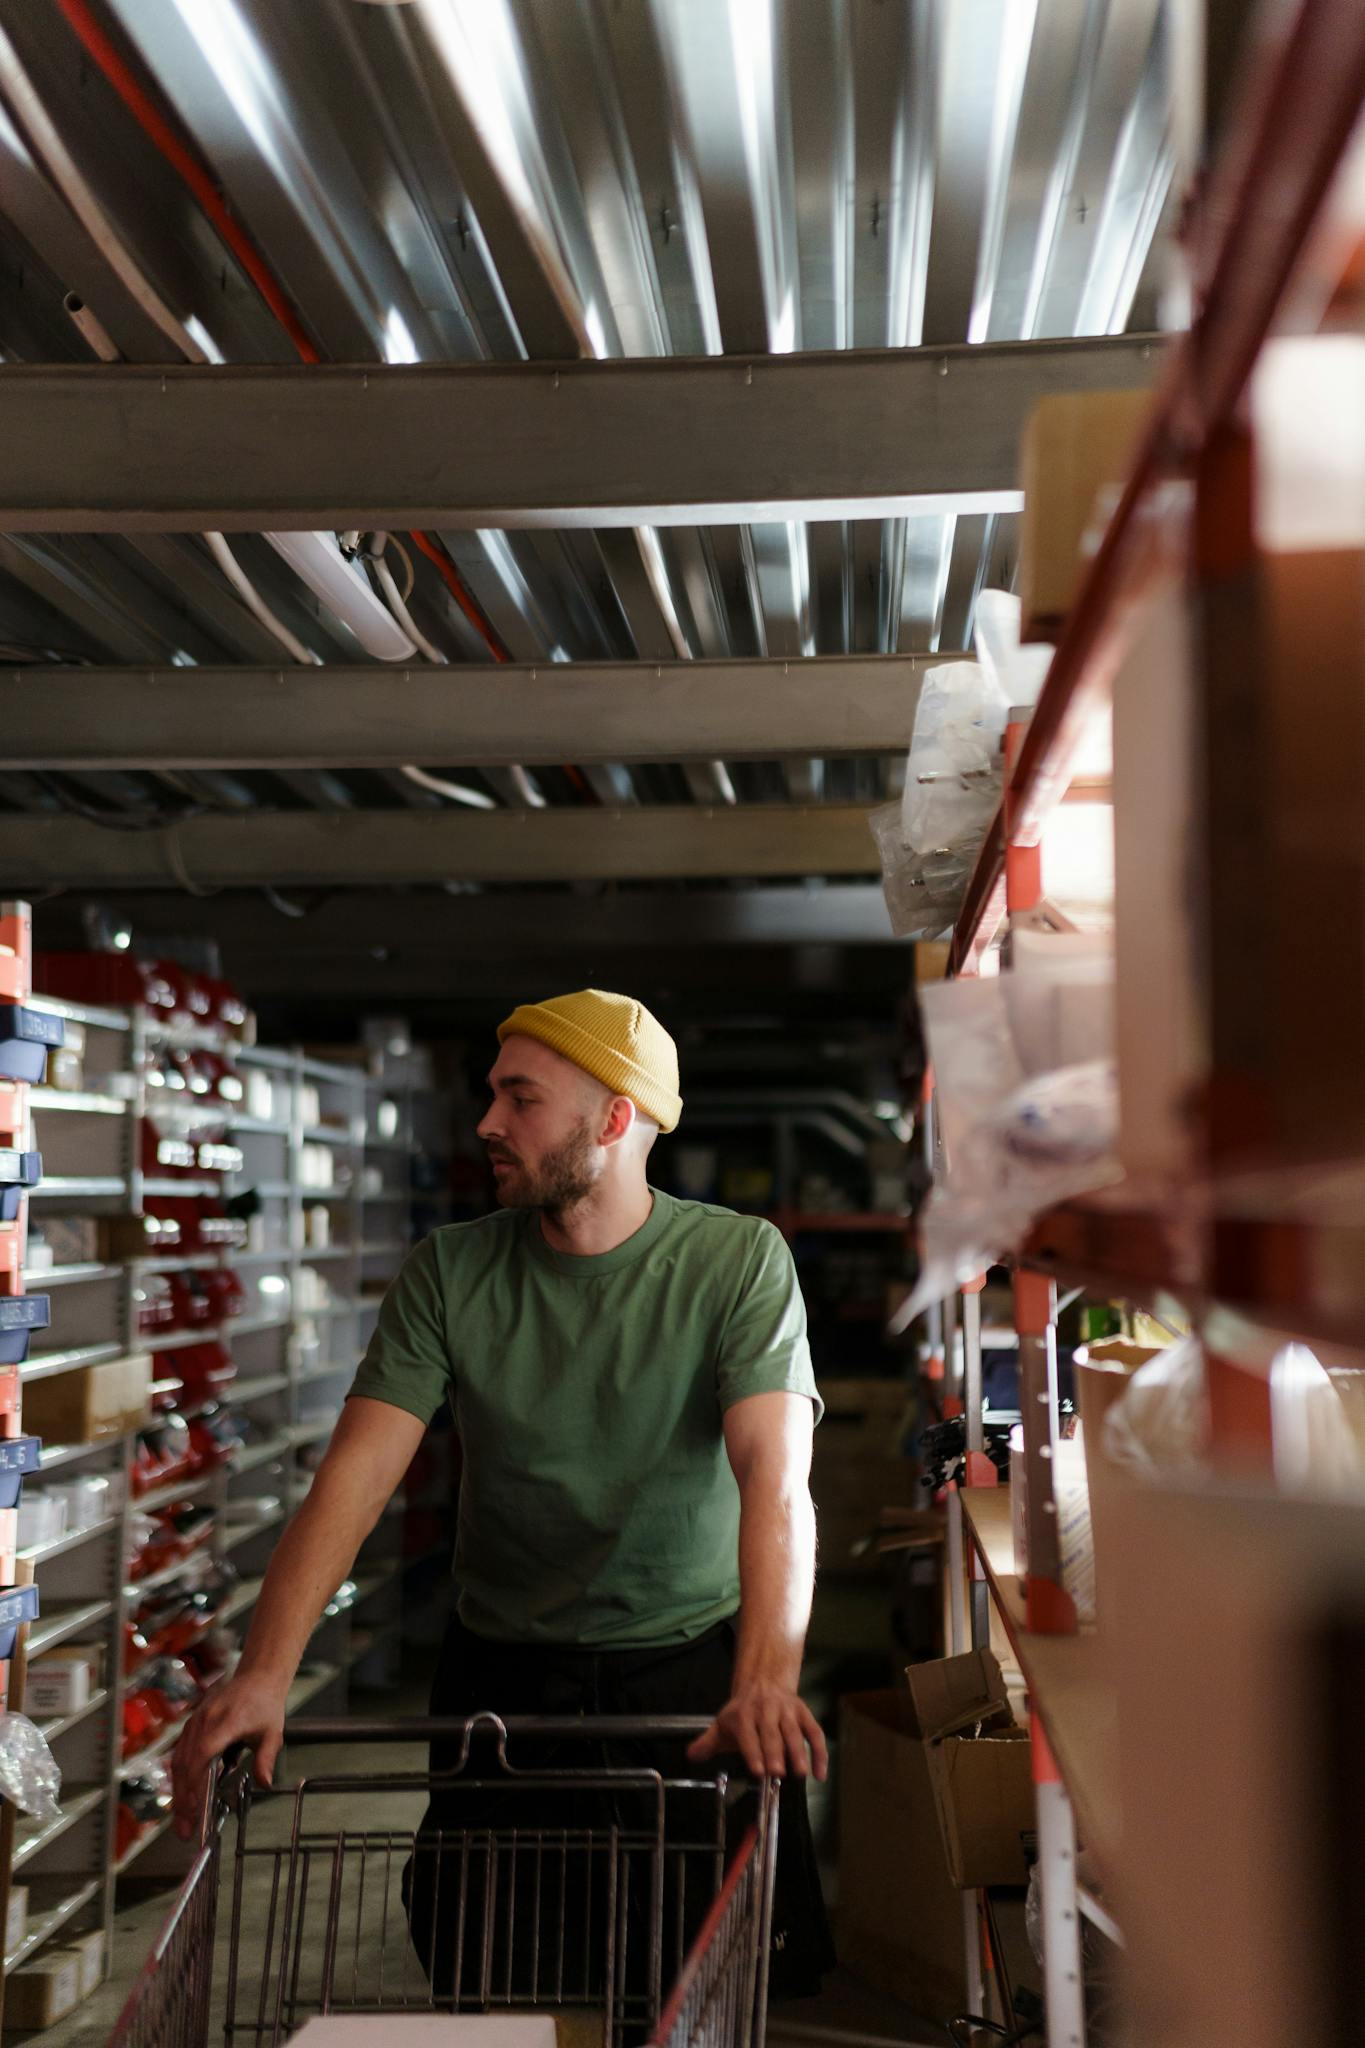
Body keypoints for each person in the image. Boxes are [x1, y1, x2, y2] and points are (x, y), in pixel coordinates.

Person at [171, 988, 834, 2002]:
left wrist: (767, 1676)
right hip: (501, 1678)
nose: (488, 1120)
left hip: (686, 1675)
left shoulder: (736, 1262)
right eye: (493, 1093)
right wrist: (266, 1671)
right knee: (488, 1965)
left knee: (691, 1982)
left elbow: (776, 1482)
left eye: (521, 1096)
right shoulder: (453, 1270)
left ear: (613, 1120)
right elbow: (353, 1478)